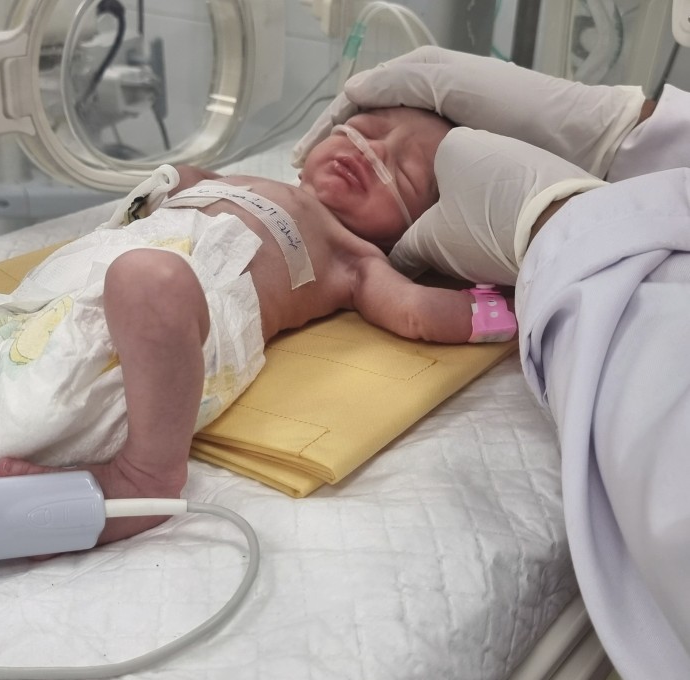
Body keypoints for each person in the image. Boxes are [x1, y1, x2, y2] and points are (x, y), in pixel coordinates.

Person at [0, 105, 512, 569]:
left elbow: (418, 313)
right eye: (365, 129)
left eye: (401, 173)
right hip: (35, 328)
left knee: (149, 278)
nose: (368, 151)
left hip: (136, 361)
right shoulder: (245, 178)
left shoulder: (353, 258)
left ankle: (143, 477)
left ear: (414, 224)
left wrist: (511, 303)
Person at [294, 45, 690, 680]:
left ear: (440, 240)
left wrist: (540, 240)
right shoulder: (269, 190)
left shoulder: (367, 264)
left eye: (410, 167)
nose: (368, 150)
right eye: (363, 130)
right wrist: (629, 129)